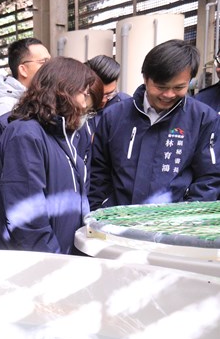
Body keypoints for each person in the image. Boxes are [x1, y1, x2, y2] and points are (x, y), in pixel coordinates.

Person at [0, 57, 96, 254]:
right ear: (63, 91)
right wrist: (53, 261)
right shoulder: (25, 135)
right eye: (83, 94)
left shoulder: (64, 135)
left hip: (61, 256)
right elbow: (27, 218)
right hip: (36, 263)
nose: (85, 104)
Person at [89, 40, 220, 211]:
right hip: (117, 222)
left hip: (173, 228)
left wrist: (186, 217)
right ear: (145, 78)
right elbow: (98, 173)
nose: (169, 94)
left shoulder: (203, 119)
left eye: (179, 87)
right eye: (161, 87)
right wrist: (100, 211)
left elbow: (209, 178)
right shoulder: (114, 116)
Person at [0, 37, 51, 139]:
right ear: (23, 70)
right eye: (43, 62)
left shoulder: (40, 101)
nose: (51, 67)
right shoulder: (5, 107)